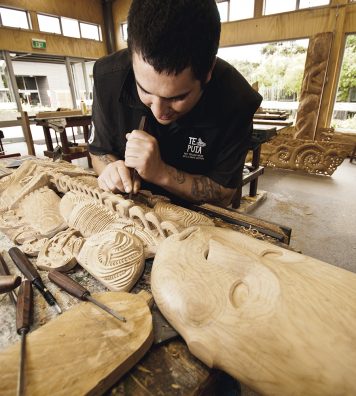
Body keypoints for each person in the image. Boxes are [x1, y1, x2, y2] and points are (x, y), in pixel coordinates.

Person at [89, 0, 262, 207]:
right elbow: (99, 151)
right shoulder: (108, 77)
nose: (158, 111)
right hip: (130, 206)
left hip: (194, 218)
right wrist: (110, 170)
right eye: (145, 91)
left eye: (177, 98)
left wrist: (160, 173)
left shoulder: (237, 100)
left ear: (208, 72)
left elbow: (224, 193)